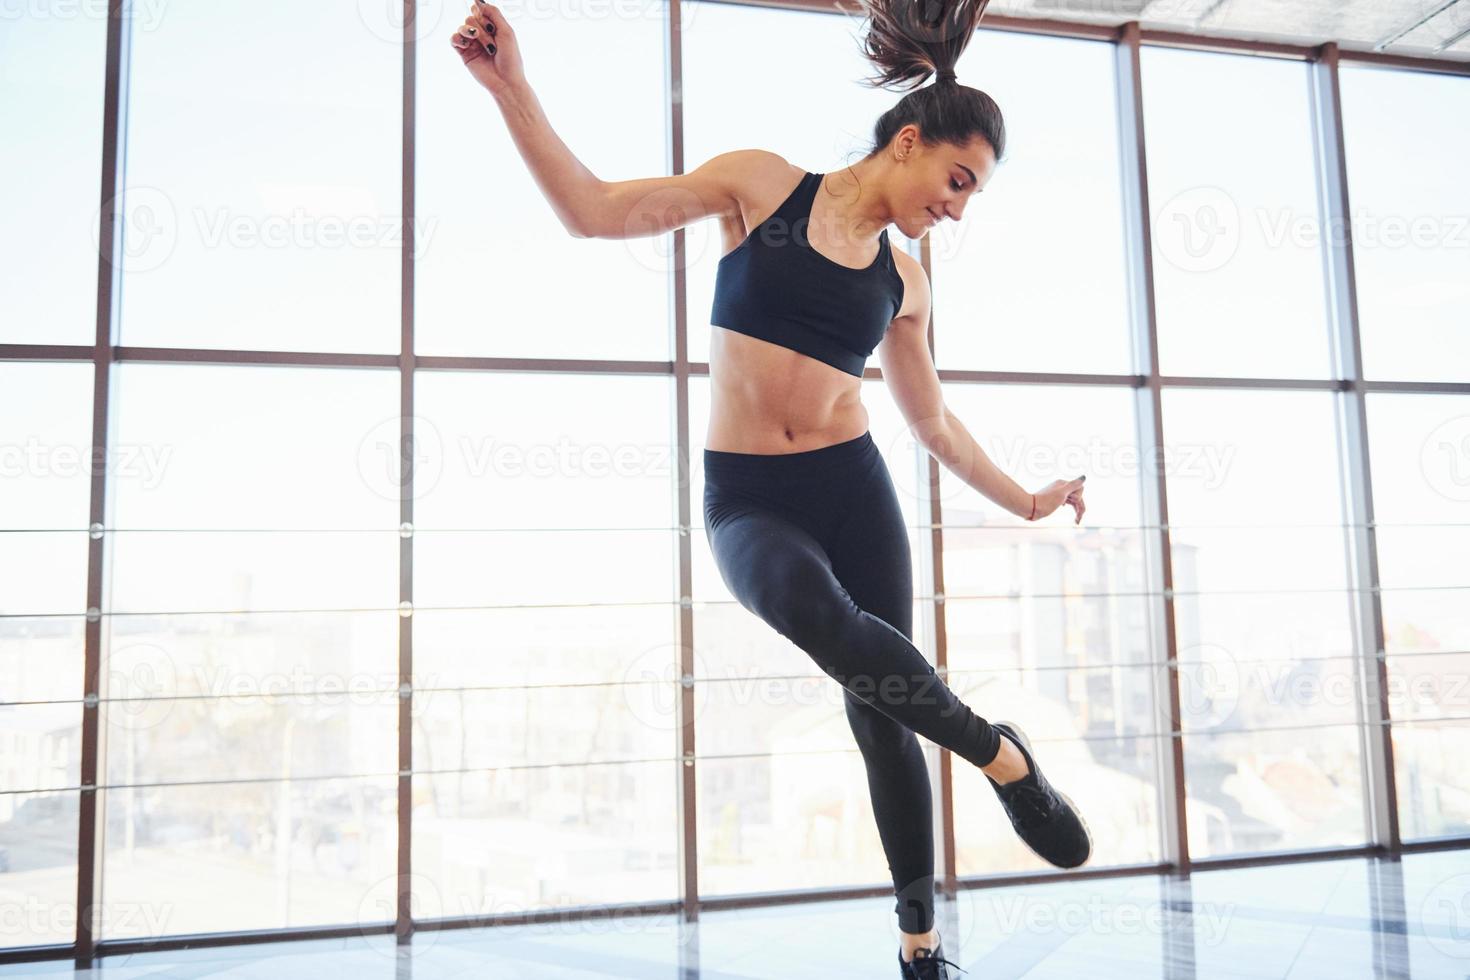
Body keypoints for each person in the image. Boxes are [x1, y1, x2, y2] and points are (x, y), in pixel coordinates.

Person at [454, 0, 1090, 976]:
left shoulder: (907, 281)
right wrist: (512, 90)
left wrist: (1030, 501)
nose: (958, 206)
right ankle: (1002, 754)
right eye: (958, 179)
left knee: (879, 708)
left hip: (853, 487)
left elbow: (933, 427)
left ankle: (921, 948)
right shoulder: (763, 186)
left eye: (974, 196)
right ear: (909, 140)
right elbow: (594, 212)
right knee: (801, 602)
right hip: (749, 496)